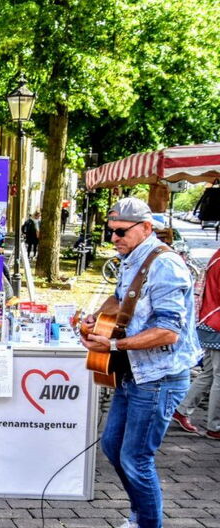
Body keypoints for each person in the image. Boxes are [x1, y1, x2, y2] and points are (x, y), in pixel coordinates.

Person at [80, 197, 200, 528]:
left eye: (120, 232)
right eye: (110, 232)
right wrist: (97, 319)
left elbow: (168, 332)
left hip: (159, 377)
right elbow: (121, 299)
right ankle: (140, 514)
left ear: (146, 228)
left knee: (136, 458)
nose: (114, 238)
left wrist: (114, 343)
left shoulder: (165, 265)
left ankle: (146, 522)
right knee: (113, 446)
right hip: (134, 372)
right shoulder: (132, 257)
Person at [172, 245, 220, 439]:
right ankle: (215, 426)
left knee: (208, 372)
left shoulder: (217, 256)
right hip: (216, 322)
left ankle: (182, 409)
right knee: (219, 376)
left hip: (209, 320)